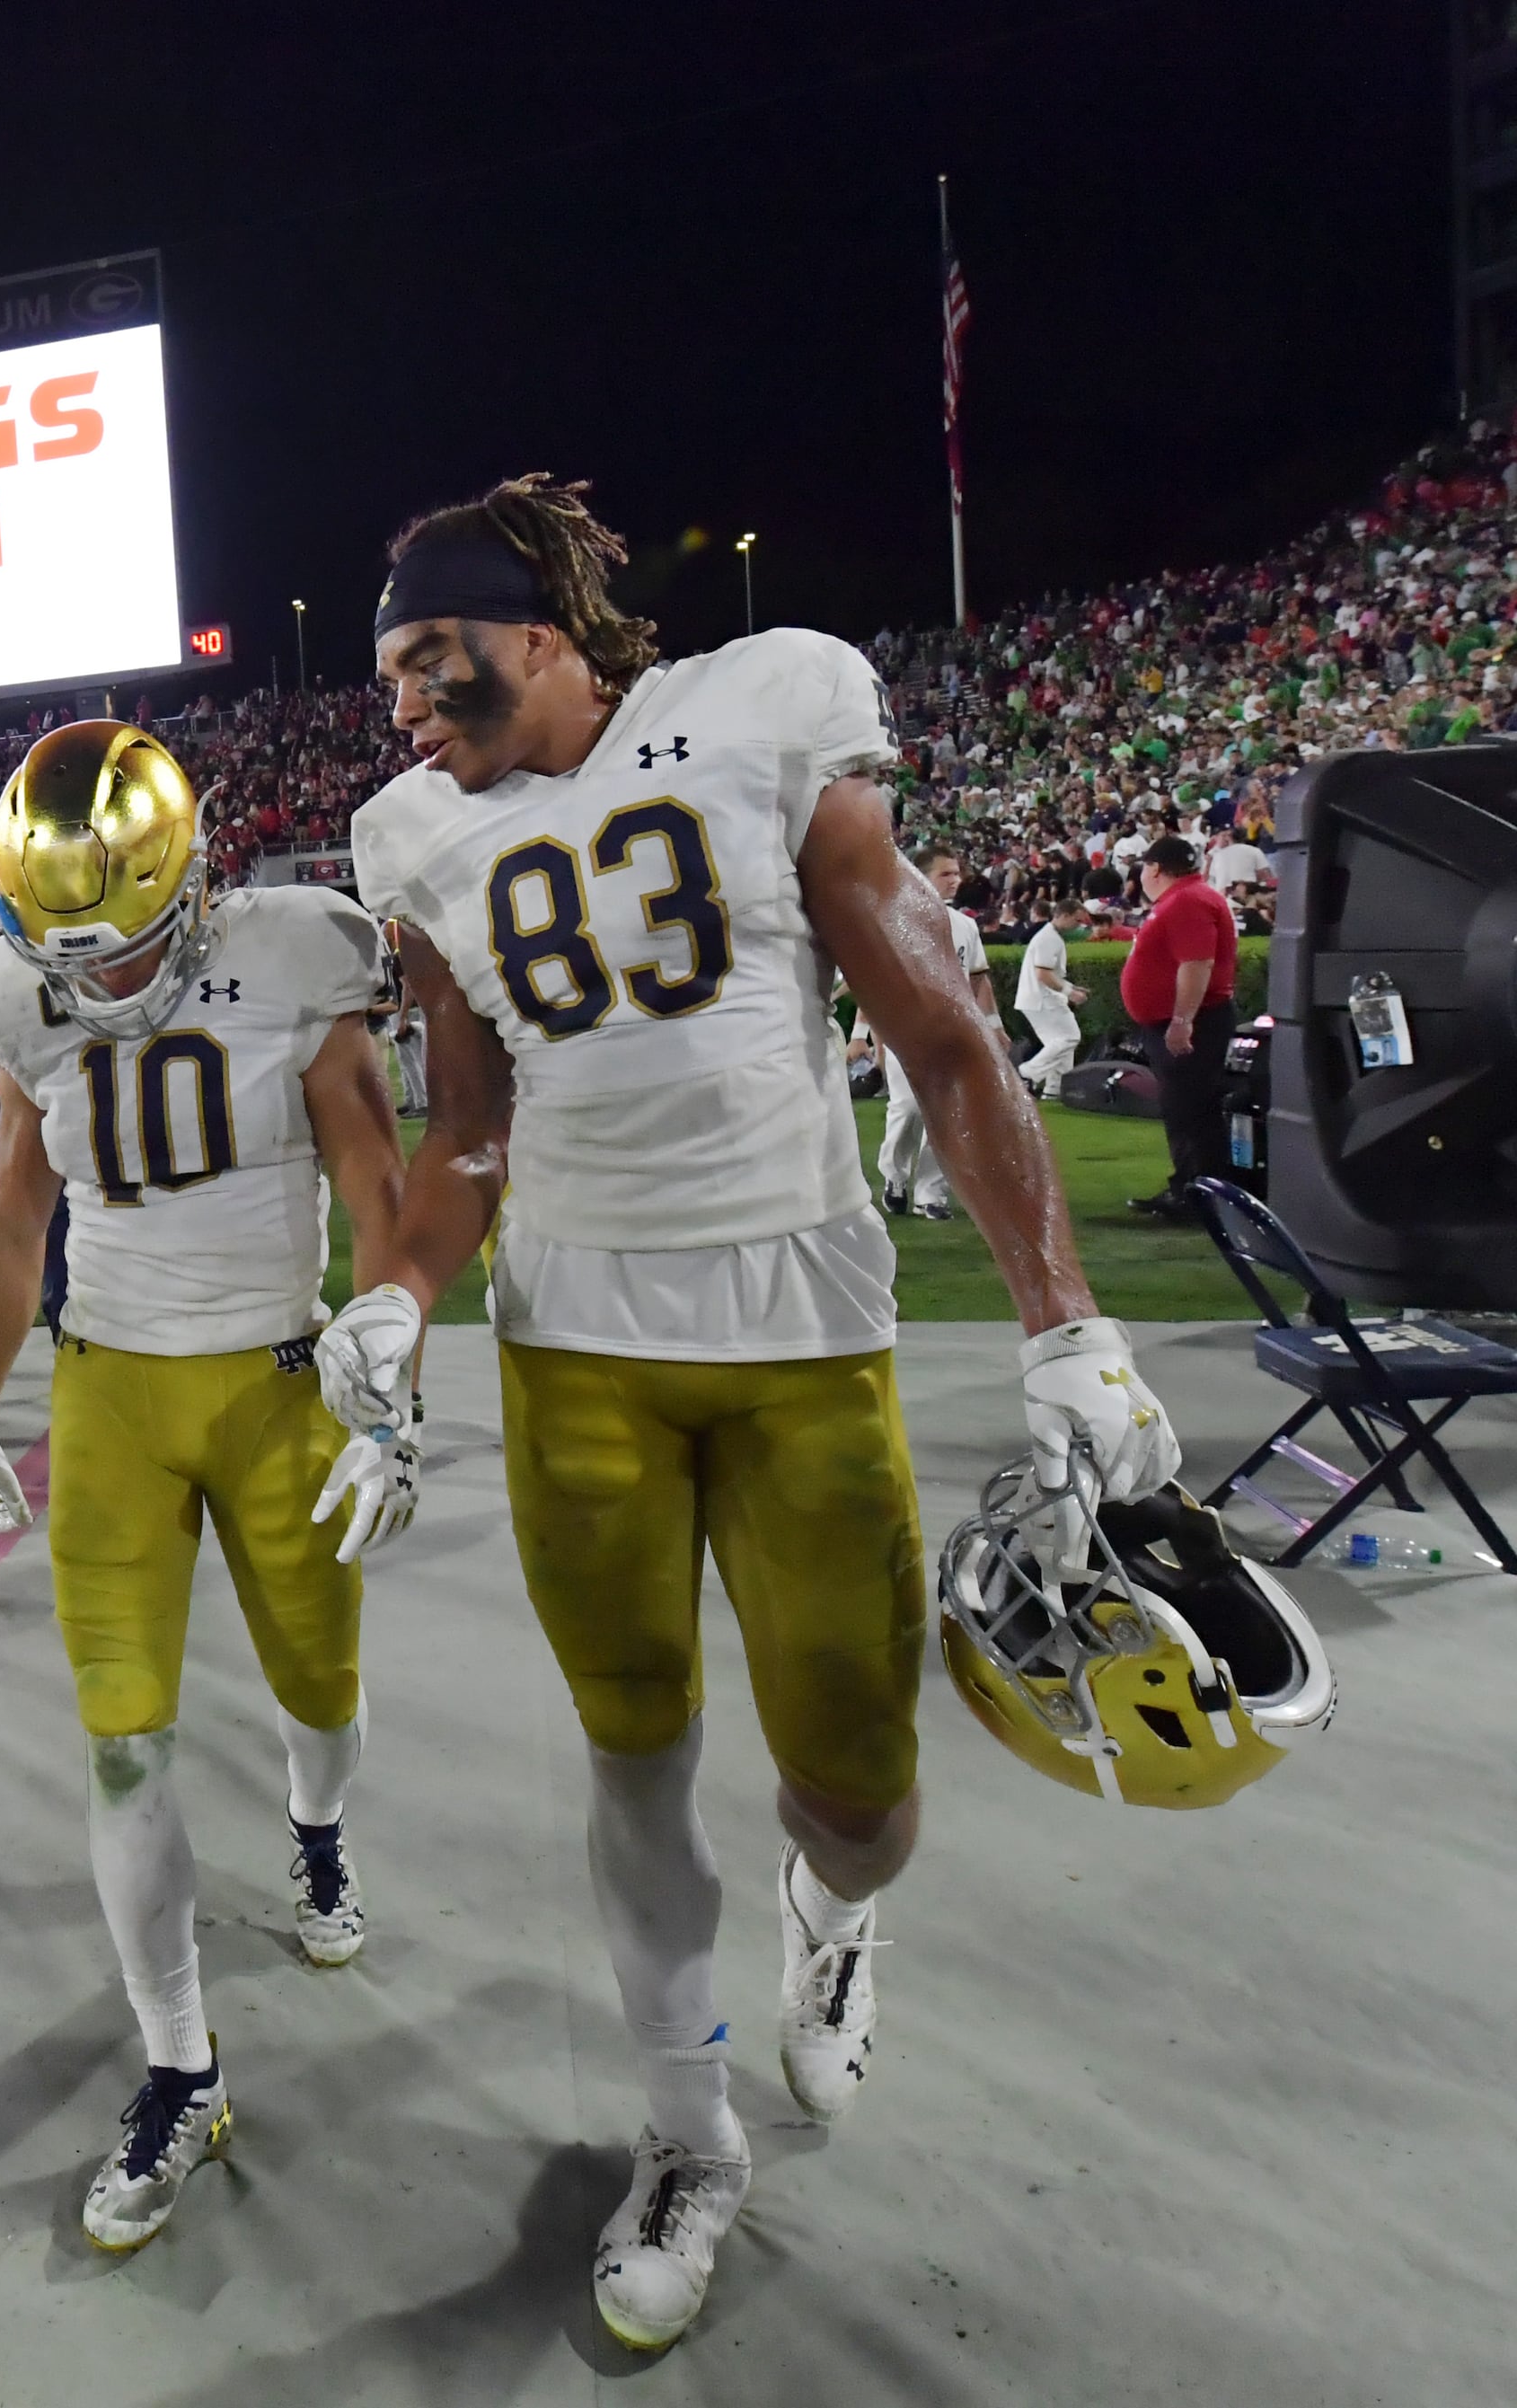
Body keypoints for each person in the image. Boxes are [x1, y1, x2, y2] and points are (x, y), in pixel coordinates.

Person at [338, 476, 1181, 2354]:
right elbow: (467, 1123)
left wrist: (1066, 1321)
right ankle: (684, 2129)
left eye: (425, 658)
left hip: (798, 1321)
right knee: (631, 1751)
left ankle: (832, 1902)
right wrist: (397, 1298)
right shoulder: (411, 836)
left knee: (864, 1790)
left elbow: (947, 1031)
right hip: (576, 1345)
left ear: (541, 636)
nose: (394, 704)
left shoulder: (761, 705)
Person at [0, 720, 410, 2252]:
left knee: (320, 1686)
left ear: (198, 883)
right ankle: (180, 2066)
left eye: (130, 943)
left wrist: (391, 1358)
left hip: (276, 1381)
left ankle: (320, 1834)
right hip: (113, 1390)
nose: (103, 979)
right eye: (65, 947)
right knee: (124, 1743)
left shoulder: (292, 951)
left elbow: (368, 1164)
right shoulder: (18, 994)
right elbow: (18, 1219)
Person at [1121, 832, 1243, 1218]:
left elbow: (1197, 963)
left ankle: (1198, 1195)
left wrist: (1181, 1020)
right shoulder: (1188, 898)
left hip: (1196, 1022)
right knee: (1187, 1109)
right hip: (1188, 1020)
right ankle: (1195, 1189)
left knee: (1191, 1111)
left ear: (1154, 868)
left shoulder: (1187, 901)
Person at [871, 846, 992, 1220]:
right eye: (946, 873)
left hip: (951, 1031)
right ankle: (894, 1176)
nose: (955, 880)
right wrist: (866, 1033)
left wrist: (990, 1026)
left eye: (957, 873)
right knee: (907, 1108)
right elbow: (873, 984)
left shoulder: (965, 925)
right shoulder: (892, 918)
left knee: (946, 1115)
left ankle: (932, 1194)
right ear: (921, 875)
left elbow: (977, 978)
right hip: (904, 1029)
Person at [1015, 898, 1091, 1099]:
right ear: (1064, 916)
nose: (1079, 925)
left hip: (1037, 998)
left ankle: (1054, 1089)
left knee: (1059, 1044)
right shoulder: (1049, 938)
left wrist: (1071, 987)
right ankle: (1026, 1073)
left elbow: (1048, 973)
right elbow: (1043, 974)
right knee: (1069, 1037)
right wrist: (1070, 992)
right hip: (1042, 999)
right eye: (1077, 920)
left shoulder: (1050, 937)